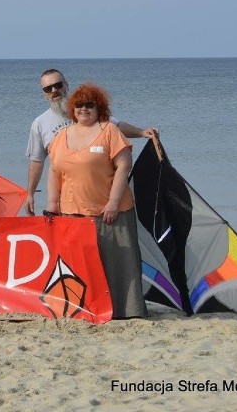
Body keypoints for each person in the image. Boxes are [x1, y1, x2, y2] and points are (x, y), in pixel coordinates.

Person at [45, 83, 147, 319]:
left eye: (89, 104)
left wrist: (113, 202)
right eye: (79, 105)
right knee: (80, 264)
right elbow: (53, 171)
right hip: (72, 213)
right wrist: (52, 203)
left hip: (111, 212)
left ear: (98, 106)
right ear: (73, 109)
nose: (84, 109)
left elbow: (124, 166)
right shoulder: (61, 136)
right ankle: (85, 308)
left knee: (119, 263)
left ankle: (127, 311)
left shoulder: (110, 130)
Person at [25, 68, 159, 215]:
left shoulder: (87, 107)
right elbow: (37, 162)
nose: (54, 90)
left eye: (58, 85)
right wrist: (30, 194)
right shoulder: (40, 123)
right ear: (44, 93)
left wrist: (141, 132)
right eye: (48, 88)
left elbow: (117, 126)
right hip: (69, 204)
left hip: (104, 200)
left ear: (66, 85)